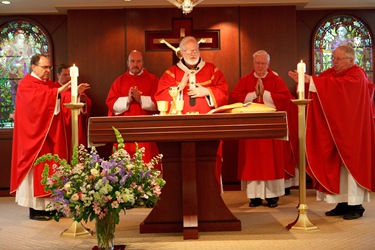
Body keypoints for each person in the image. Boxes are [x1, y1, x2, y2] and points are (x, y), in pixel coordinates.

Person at [288, 44, 375, 220]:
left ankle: (356, 205)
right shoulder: (331, 73)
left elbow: (338, 88)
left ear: (350, 60)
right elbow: (322, 85)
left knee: (351, 167)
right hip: (335, 129)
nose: (334, 62)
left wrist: (310, 80)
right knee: (337, 166)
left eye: (338, 59)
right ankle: (342, 202)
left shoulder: (357, 75)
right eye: (333, 58)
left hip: (353, 132)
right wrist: (306, 81)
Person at [154, 36, 229, 192]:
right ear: (181, 52)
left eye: (195, 50)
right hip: (180, 127)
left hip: (207, 126)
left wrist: (206, 91)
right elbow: (160, 97)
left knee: (208, 159)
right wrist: (179, 88)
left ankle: (211, 194)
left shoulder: (212, 70)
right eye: (188, 51)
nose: (192, 54)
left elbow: (224, 93)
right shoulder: (171, 74)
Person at [231, 50, 296, 208]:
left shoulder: (276, 80)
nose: (260, 66)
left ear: (268, 64)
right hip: (251, 130)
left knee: (270, 162)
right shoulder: (246, 79)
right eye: (257, 63)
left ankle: (272, 197)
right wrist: (254, 94)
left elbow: (286, 99)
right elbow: (235, 97)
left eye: (263, 63)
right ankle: (254, 197)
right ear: (253, 63)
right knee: (252, 162)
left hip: (271, 130)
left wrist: (265, 94)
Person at [10, 54, 71, 220]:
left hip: (48, 135)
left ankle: (51, 207)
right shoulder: (26, 84)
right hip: (33, 137)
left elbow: (54, 97)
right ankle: (36, 209)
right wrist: (59, 91)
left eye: (49, 67)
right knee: (37, 169)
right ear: (34, 67)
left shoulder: (47, 84)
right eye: (44, 67)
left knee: (51, 167)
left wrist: (71, 93)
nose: (48, 70)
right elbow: (36, 103)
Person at [106, 50, 161, 168]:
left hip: (146, 130)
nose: (135, 64)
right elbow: (111, 103)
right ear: (127, 63)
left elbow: (160, 102)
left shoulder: (153, 80)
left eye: (138, 61)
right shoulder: (119, 81)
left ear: (143, 63)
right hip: (124, 130)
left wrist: (141, 99)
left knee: (146, 162)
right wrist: (127, 100)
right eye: (132, 61)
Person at [56, 64, 91, 157]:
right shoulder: (55, 89)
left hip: (76, 124)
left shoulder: (75, 88)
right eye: (65, 75)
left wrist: (79, 95)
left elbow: (86, 106)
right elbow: (60, 103)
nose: (68, 78)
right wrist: (76, 94)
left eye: (69, 75)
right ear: (58, 75)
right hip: (61, 127)